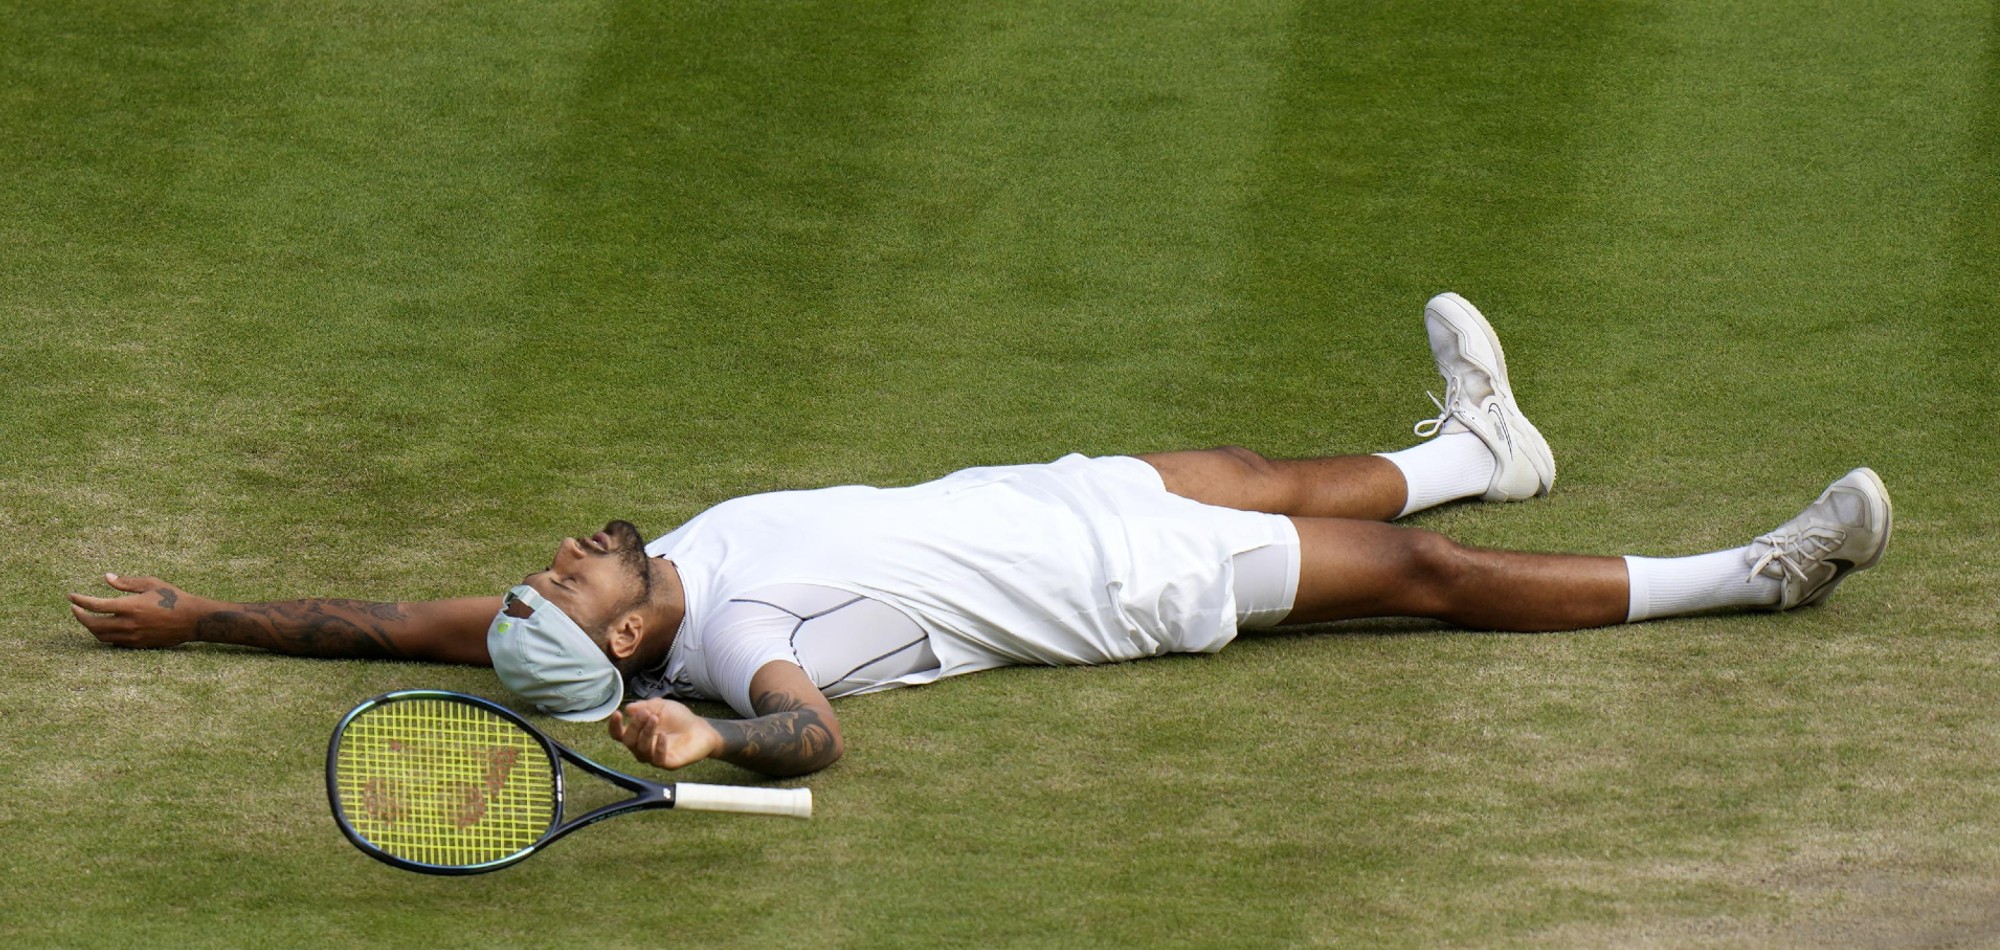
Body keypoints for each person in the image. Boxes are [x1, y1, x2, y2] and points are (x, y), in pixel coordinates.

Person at [66, 293, 1893, 779]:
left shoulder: (639, 594)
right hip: (1127, 586)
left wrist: (203, 610)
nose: (558, 554)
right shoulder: (735, 627)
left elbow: (393, 627)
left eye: (550, 572)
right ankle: (1754, 570)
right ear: (631, 647)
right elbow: (816, 730)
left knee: (1267, 462)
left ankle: (1487, 448)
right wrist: (721, 739)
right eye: (566, 583)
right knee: (1420, 590)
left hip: (1074, 499)